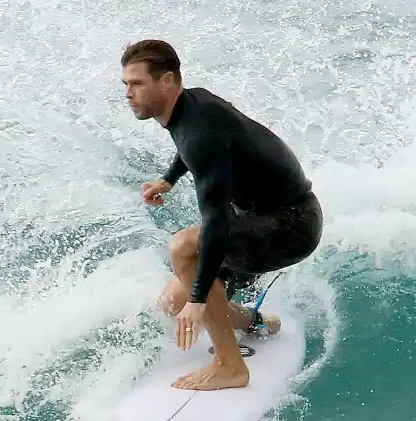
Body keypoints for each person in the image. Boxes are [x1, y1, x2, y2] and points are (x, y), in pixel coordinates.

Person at [121, 39, 323, 391]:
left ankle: (230, 367)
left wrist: (199, 301)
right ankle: (255, 322)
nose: (129, 94)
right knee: (172, 304)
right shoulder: (190, 107)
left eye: (138, 84)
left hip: (291, 223)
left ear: (167, 81)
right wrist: (169, 179)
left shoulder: (201, 131)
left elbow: (216, 223)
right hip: (259, 218)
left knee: (184, 248)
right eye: (126, 84)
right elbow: (193, 148)